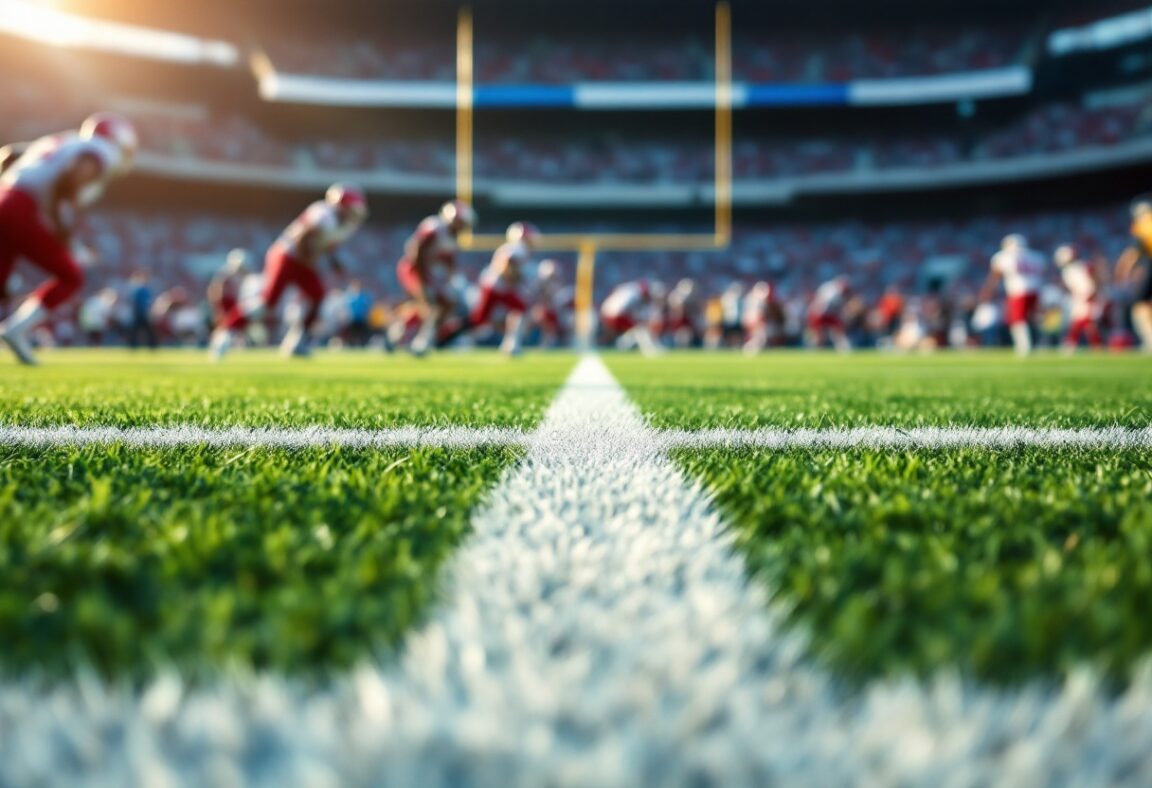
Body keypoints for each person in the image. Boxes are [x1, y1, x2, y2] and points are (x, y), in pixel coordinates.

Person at [0, 113, 137, 364]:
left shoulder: (63, 141)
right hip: (19, 206)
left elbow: (9, 154)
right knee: (71, 276)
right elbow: (72, 178)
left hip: (6, 197)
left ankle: (15, 331)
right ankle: (16, 330)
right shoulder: (100, 151)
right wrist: (59, 223)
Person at [210, 183, 368, 360]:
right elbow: (303, 238)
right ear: (340, 205)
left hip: (302, 262)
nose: (353, 213)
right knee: (267, 303)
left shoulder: (341, 224)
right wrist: (309, 263)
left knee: (318, 297)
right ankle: (225, 332)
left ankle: (296, 342)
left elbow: (327, 245)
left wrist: (332, 262)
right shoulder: (323, 214)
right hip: (287, 256)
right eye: (350, 208)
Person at [396, 199, 476, 356]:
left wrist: (452, 277)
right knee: (429, 304)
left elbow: (448, 261)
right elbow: (416, 251)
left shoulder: (451, 238)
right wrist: (422, 281)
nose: (462, 227)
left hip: (427, 272)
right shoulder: (435, 227)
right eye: (461, 223)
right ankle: (412, 338)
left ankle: (423, 337)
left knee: (446, 305)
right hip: (413, 269)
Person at [470, 222, 537, 356]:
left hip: (492, 285)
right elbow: (507, 262)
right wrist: (511, 279)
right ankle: (511, 343)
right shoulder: (519, 248)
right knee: (519, 309)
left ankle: (510, 343)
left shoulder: (512, 247)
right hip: (498, 286)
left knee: (482, 318)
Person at [981, 234, 1045, 357]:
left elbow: (995, 275)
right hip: (1036, 290)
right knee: (1034, 319)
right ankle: (1040, 344)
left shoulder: (1003, 256)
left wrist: (988, 290)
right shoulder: (1036, 256)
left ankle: (1023, 347)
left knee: (1018, 320)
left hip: (1018, 290)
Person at [1115, 196, 1152, 351]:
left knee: (1140, 306)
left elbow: (1134, 252)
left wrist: (1123, 270)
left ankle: (1150, 340)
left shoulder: (1142, 225)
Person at [1054, 244, 1103, 351]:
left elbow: (1094, 279)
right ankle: (1094, 344)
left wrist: (1092, 293)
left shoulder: (1078, 268)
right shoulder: (1074, 269)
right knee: (1084, 322)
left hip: (1087, 296)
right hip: (1082, 296)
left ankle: (1072, 343)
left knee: (1083, 321)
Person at [600, 279, 661, 355]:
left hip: (605, 312)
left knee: (635, 329)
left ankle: (623, 344)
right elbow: (626, 308)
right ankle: (648, 349)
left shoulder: (629, 288)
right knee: (640, 328)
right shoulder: (635, 295)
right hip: (617, 314)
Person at [806, 275, 853, 352]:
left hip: (828, 313)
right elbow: (820, 304)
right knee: (818, 335)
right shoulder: (832, 292)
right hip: (819, 313)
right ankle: (813, 350)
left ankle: (843, 348)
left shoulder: (835, 290)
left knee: (838, 331)